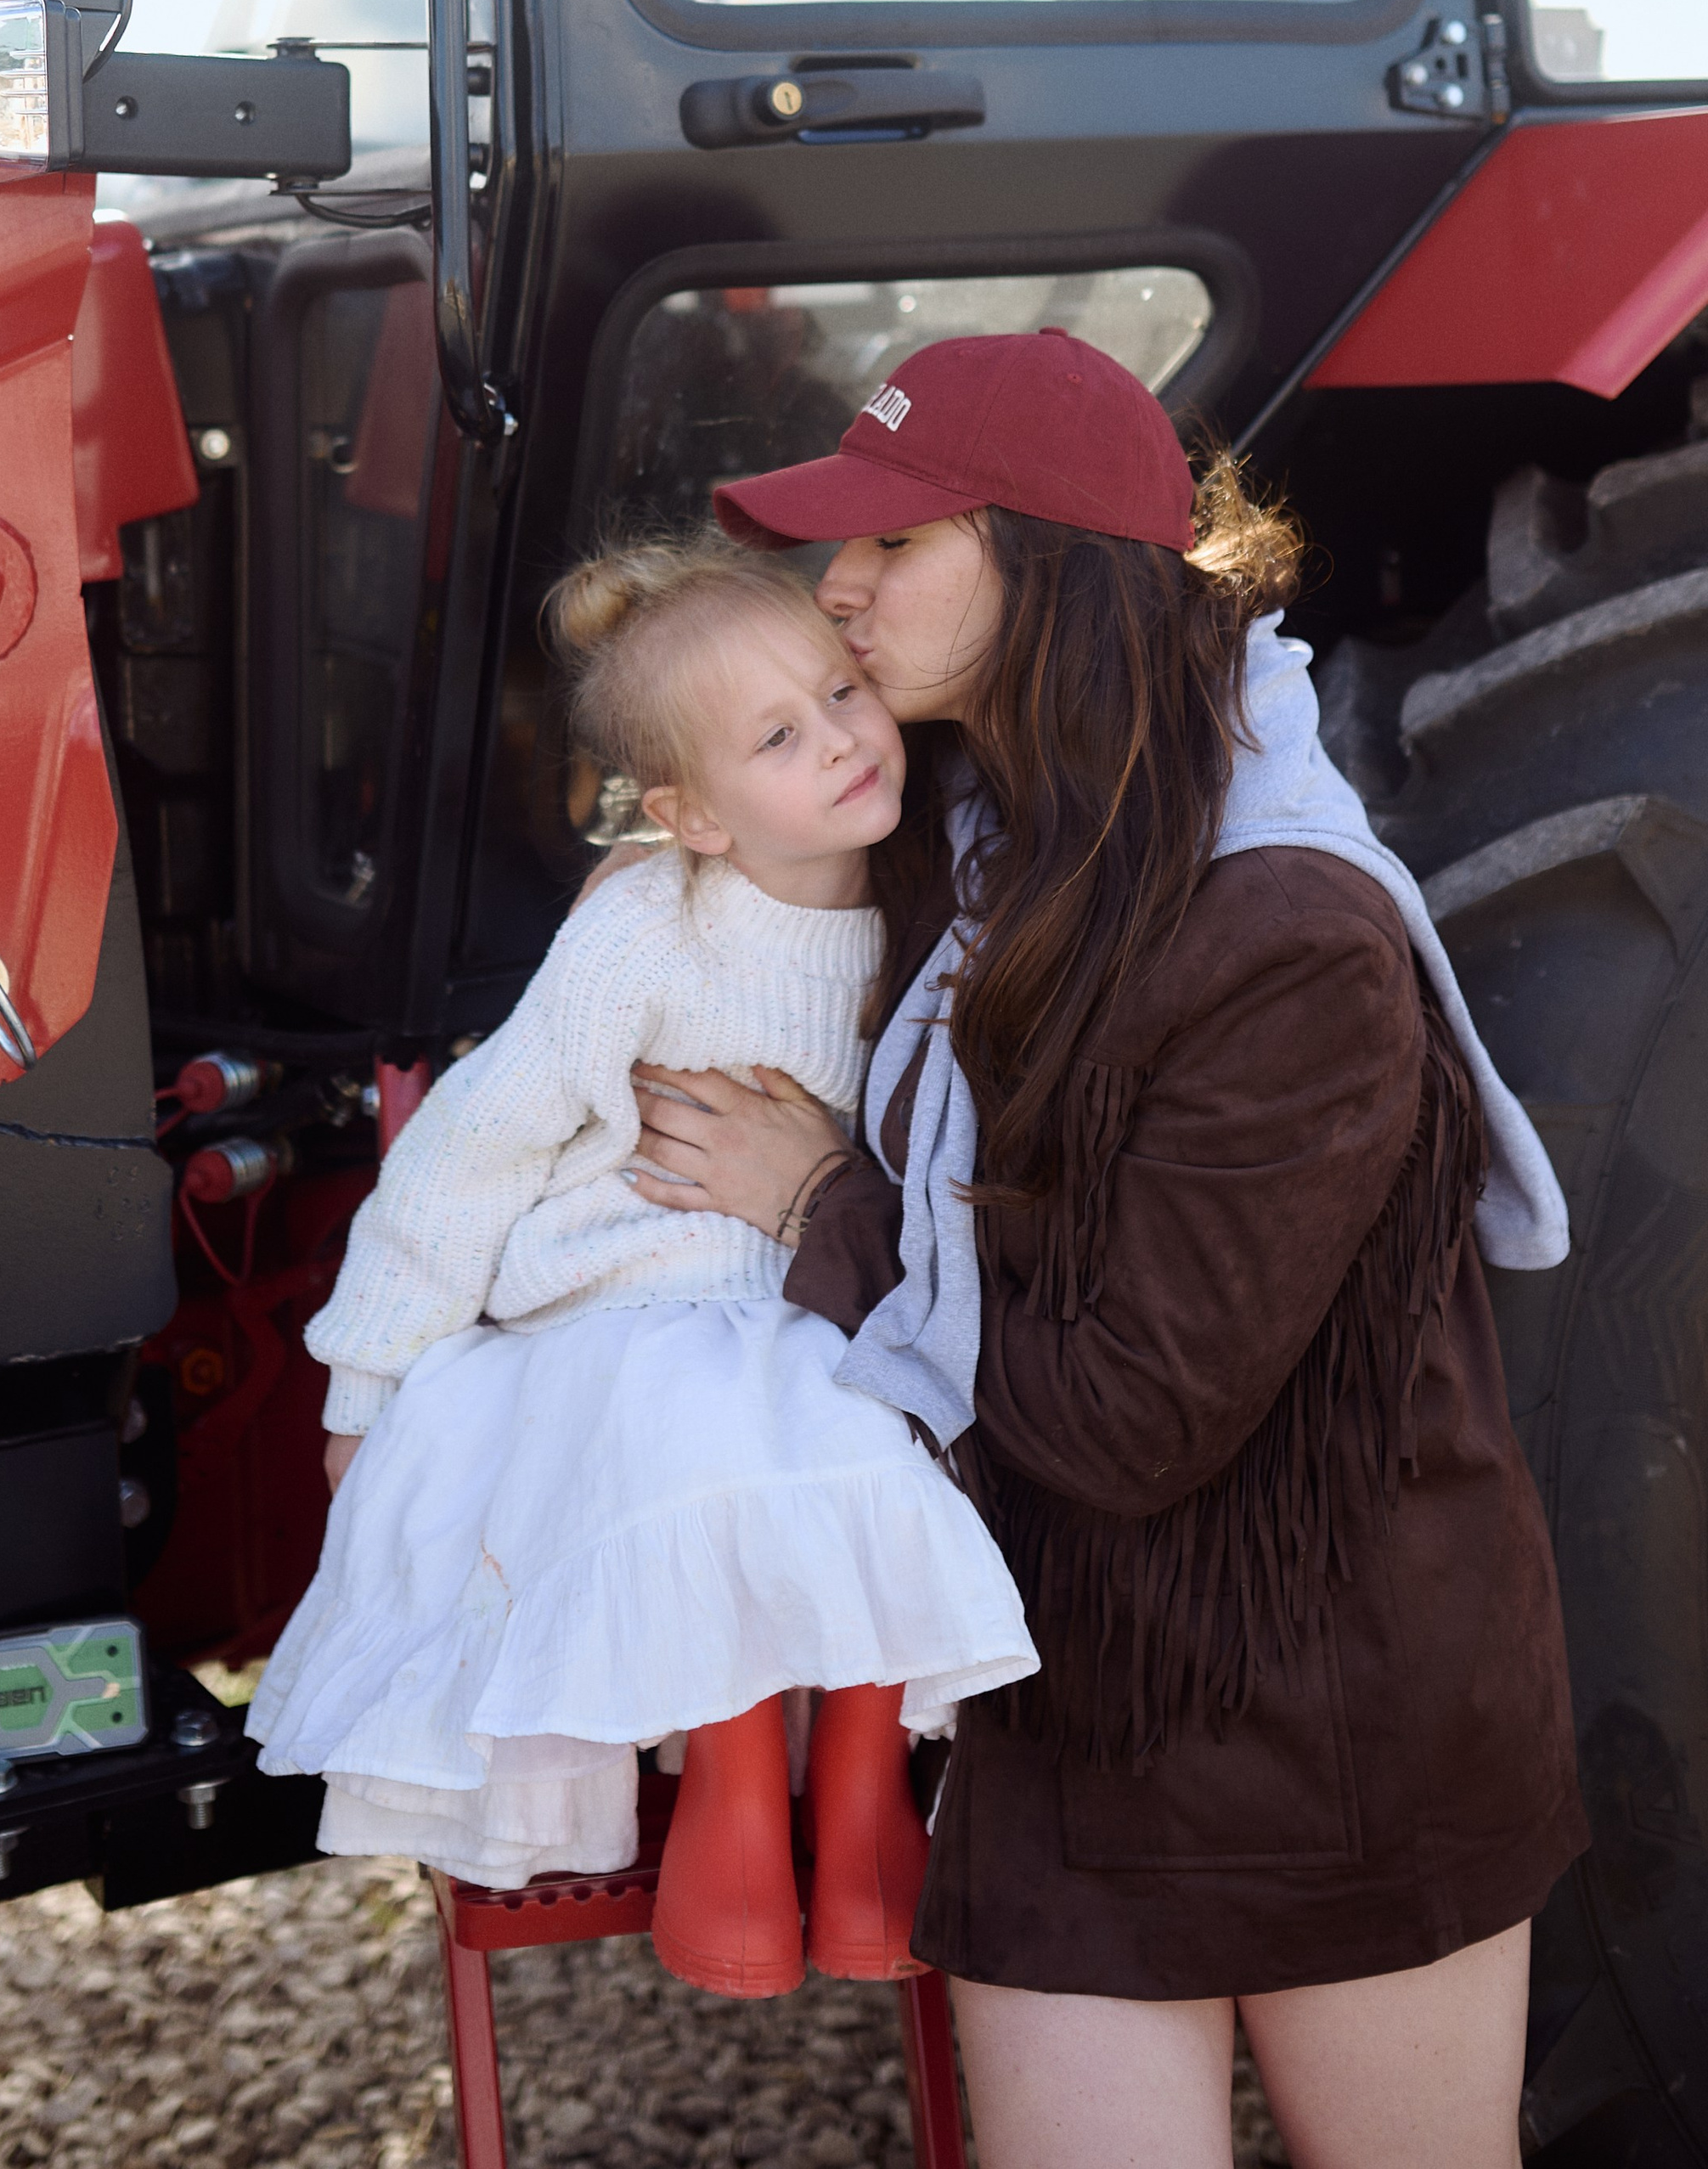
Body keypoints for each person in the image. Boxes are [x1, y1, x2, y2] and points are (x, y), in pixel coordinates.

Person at [624, 330, 1586, 2168]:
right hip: (1059, 1711)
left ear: (1052, 562)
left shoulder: (1285, 929)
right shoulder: (968, 848)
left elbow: (1121, 1420)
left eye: (893, 542)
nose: (835, 585)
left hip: (1340, 1735)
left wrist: (822, 1200)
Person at [247, 538, 1036, 1998]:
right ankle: (737, 1805)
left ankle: (862, 1796)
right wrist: (370, 1367)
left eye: (845, 689)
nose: (847, 738)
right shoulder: (645, 924)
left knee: (881, 1422)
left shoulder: (933, 908)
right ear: (694, 817)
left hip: (815, 1281)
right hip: (636, 1297)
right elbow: (473, 1143)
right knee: (703, 1438)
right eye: (780, 737)